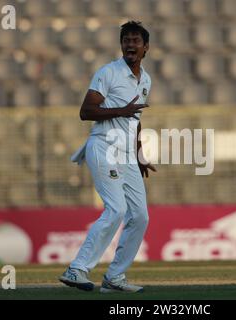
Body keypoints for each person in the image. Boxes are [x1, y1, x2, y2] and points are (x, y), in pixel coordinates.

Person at [59, 21, 156, 293]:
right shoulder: (108, 72)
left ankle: (114, 278)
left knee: (140, 216)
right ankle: (76, 269)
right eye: (126, 40)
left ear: (146, 47)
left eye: (136, 40)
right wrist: (121, 111)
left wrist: (139, 155)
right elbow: (86, 111)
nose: (130, 45)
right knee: (117, 209)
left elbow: (135, 120)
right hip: (103, 146)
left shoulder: (145, 79)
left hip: (127, 153)